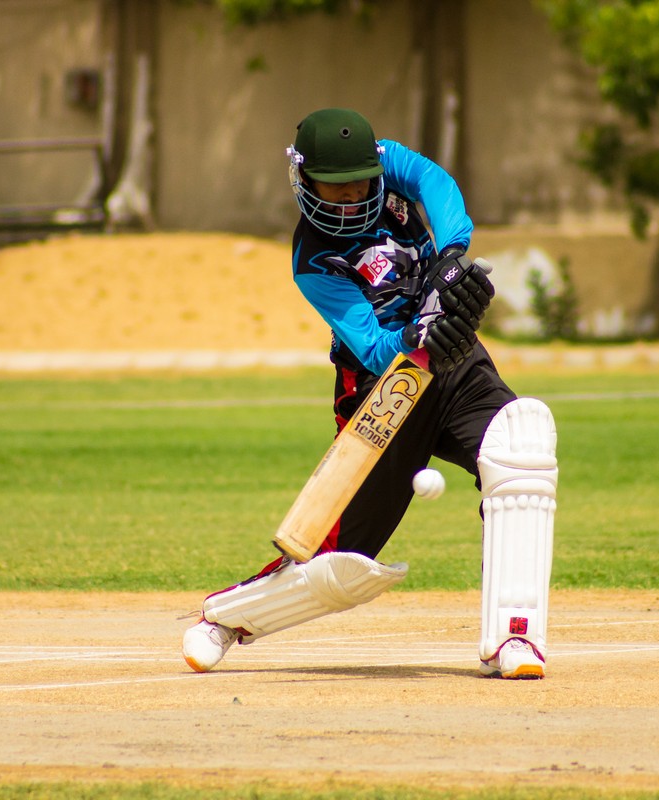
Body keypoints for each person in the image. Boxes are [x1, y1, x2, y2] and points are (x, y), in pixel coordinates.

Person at [182, 108, 558, 679]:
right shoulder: (312, 261)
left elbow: (436, 183)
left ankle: (514, 637)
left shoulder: (389, 162)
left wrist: (450, 256)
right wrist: (419, 334)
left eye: (360, 183)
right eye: (336, 187)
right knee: (339, 562)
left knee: (520, 449)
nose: (351, 197)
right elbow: (374, 347)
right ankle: (225, 619)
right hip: (384, 391)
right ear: (304, 179)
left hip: (458, 366)